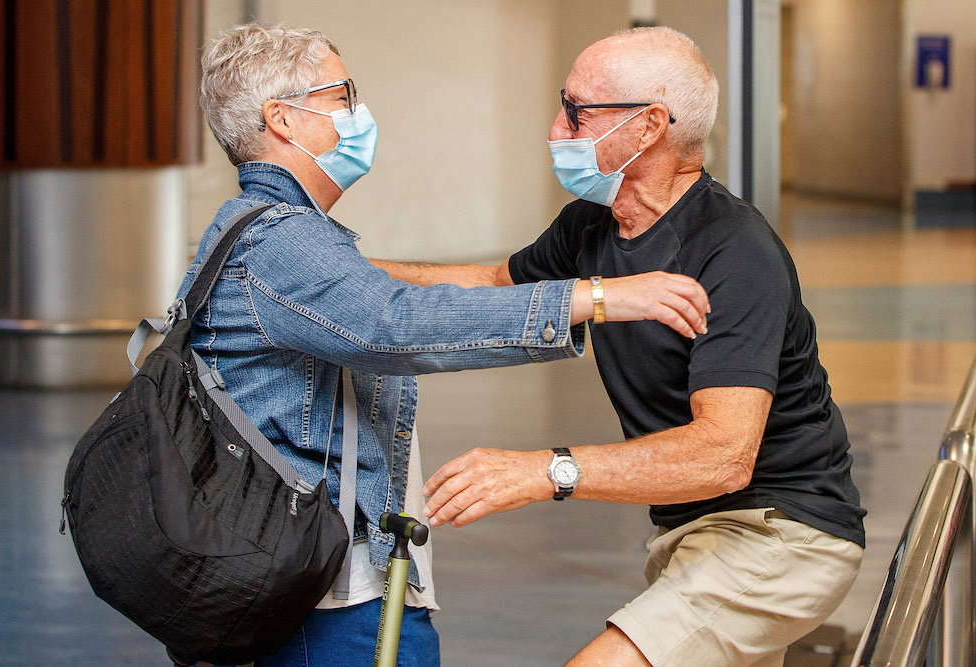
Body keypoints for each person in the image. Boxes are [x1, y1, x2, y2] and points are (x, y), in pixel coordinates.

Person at [189, 23, 710, 667]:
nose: (358, 113)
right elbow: (394, 325)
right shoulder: (280, 243)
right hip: (325, 609)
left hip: (307, 593)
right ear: (284, 121)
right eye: (342, 95)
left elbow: (418, 293)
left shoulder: (276, 238)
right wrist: (598, 297)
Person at [373, 26, 866, 666]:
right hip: (691, 531)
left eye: (577, 111)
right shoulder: (589, 228)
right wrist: (345, 274)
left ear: (647, 127)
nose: (556, 129)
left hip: (783, 533)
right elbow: (495, 285)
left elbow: (723, 456)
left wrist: (542, 471)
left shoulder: (734, 251)